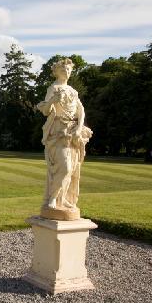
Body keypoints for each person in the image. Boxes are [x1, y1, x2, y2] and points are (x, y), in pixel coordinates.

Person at [37, 58, 92, 211]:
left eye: (68, 70)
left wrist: (79, 127)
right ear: (56, 72)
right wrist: (53, 100)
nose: (66, 72)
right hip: (58, 131)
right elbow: (46, 111)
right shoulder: (53, 88)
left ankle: (63, 199)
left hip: (73, 132)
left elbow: (81, 111)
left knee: (73, 168)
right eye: (63, 70)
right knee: (65, 167)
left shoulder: (73, 91)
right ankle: (52, 199)